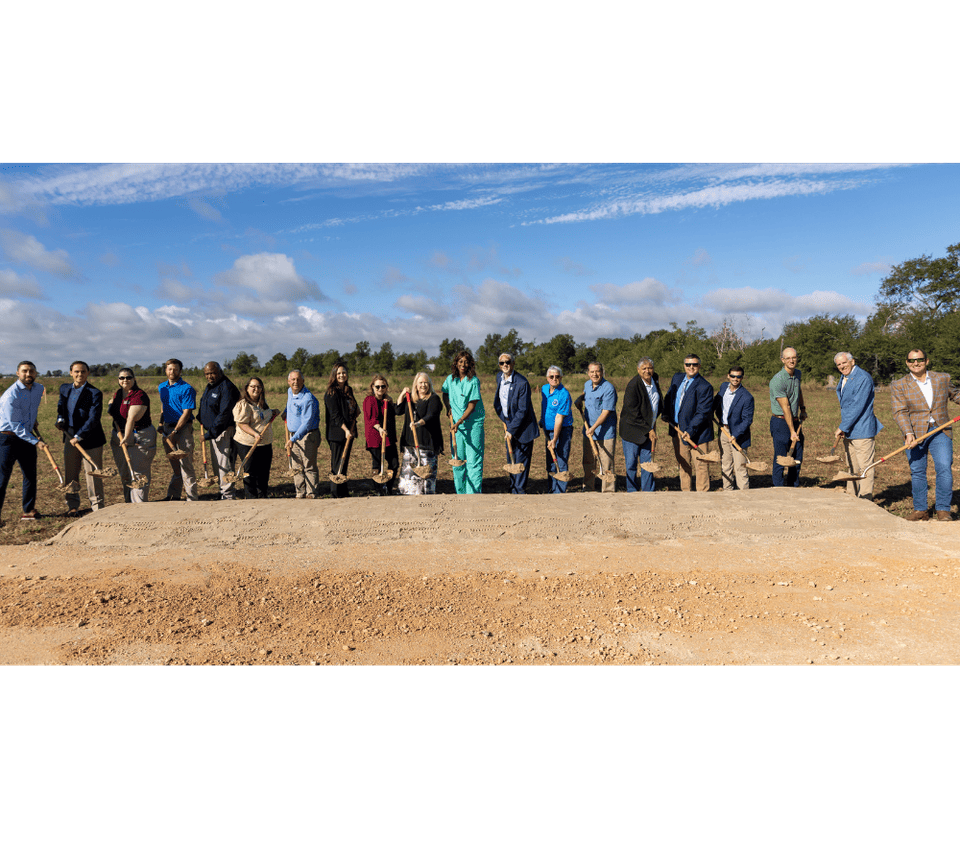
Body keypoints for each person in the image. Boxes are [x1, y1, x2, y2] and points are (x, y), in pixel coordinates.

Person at [890, 349, 960, 521]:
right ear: (907, 362)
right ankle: (920, 509)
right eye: (912, 360)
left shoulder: (942, 378)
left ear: (926, 361)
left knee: (944, 467)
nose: (916, 363)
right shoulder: (899, 385)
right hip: (914, 432)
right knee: (917, 470)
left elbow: (956, 394)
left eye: (920, 360)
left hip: (941, 429)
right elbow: (900, 411)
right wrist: (908, 433)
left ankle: (943, 509)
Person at [56, 360, 107, 516]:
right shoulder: (64, 389)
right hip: (70, 437)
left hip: (91, 439)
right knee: (71, 474)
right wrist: (60, 419)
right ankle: (72, 506)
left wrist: (80, 436)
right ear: (71, 372)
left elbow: (94, 418)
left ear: (88, 373)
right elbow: (61, 406)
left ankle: (97, 507)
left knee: (93, 474)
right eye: (76, 371)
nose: (79, 374)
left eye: (83, 371)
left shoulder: (95, 393)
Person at [0, 361, 48, 524]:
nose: (28, 374)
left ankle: (28, 510)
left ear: (36, 373)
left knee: (30, 475)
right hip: (8, 438)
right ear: (17, 373)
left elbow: (30, 408)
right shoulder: (10, 395)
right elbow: (14, 424)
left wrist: (32, 421)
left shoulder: (39, 389)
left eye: (32, 371)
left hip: (27, 435)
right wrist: (36, 442)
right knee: (2, 478)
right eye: (25, 371)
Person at [834, 352, 883, 500]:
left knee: (865, 467)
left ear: (852, 361)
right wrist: (846, 427)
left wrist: (842, 426)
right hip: (850, 430)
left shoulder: (862, 377)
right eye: (839, 365)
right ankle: (851, 497)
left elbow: (857, 406)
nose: (842, 366)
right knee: (852, 466)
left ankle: (865, 498)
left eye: (844, 362)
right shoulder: (844, 377)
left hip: (862, 429)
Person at [663, 354, 715, 492]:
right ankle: (686, 494)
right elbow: (669, 396)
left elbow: (702, 412)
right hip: (678, 428)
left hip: (698, 432)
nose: (691, 367)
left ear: (699, 366)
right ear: (684, 365)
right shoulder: (677, 378)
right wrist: (666, 413)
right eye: (688, 364)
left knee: (701, 465)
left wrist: (690, 430)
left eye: (694, 364)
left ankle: (702, 495)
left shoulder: (705, 386)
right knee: (683, 463)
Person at [107, 368, 157, 504]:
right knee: (126, 474)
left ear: (134, 379)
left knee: (138, 474)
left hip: (139, 436)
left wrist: (126, 437)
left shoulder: (139, 395)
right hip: (119, 434)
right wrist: (110, 406)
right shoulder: (118, 394)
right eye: (121, 378)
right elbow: (113, 407)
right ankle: (129, 506)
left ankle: (139, 508)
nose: (125, 380)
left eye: (128, 377)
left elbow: (131, 418)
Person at [493, 353, 540, 494]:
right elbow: (499, 403)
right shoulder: (499, 378)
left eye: (507, 362)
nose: (505, 365)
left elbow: (522, 410)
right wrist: (505, 419)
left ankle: (519, 492)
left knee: (520, 461)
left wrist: (511, 429)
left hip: (524, 428)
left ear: (513, 363)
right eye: (502, 363)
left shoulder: (522, 382)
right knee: (511, 458)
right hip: (509, 424)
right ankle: (513, 487)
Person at [442, 350, 485, 494]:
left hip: (472, 425)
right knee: (457, 460)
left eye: (466, 362)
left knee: (473, 461)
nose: (463, 365)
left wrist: (460, 420)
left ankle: (472, 495)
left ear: (470, 364)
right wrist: (448, 408)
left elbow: (472, 405)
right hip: (456, 427)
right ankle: (461, 494)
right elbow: (445, 393)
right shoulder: (450, 379)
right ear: (456, 363)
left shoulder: (473, 381)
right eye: (460, 361)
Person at [198, 361, 241, 500]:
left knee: (225, 464)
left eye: (212, 373)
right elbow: (205, 403)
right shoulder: (211, 386)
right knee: (217, 465)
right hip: (213, 432)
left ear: (220, 372)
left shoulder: (226, 387)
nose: (210, 376)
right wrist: (200, 417)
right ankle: (223, 492)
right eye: (207, 374)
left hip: (223, 432)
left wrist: (209, 433)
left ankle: (228, 495)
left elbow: (224, 413)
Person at [395, 372, 444, 495]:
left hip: (427, 443)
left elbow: (431, 415)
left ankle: (427, 501)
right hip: (410, 444)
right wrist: (402, 394)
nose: (423, 385)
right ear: (416, 385)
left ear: (429, 384)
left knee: (426, 479)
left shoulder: (434, 398)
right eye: (420, 383)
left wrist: (418, 423)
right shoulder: (410, 399)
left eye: (425, 382)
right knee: (409, 478)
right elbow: (398, 410)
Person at [158, 358, 198, 502]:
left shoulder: (187, 389)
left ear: (180, 371)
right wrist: (161, 423)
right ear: (165, 370)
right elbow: (164, 406)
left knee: (186, 465)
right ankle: (174, 496)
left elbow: (186, 413)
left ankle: (192, 498)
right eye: (169, 369)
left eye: (175, 369)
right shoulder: (162, 387)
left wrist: (175, 432)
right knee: (175, 466)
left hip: (183, 428)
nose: (172, 372)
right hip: (168, 428)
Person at [233, 377, 280, 499]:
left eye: (258, 387)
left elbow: (263, 416)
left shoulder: (262, 404)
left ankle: (262, 496)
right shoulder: (243, 404)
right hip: (247, 443)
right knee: (250, 473)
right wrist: (255, 434)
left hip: (265, 443)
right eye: (253, 386)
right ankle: (251, 497)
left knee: (264, 472)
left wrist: (273, 412)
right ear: (247, 388)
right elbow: (242, 423)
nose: (256, 389)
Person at [620, 358, 661, 493]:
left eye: (649, 368)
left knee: (647, 463)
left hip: (648, 429)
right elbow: (632, 413)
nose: (647, 371)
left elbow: (656, 402)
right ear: (638, 370)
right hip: (631, 430)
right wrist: (649, 429)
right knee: (631, 464)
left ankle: (648, 490)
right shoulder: (633, 386)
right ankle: (632, 490)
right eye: (644, 368)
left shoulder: (655, 379)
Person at [769, 347, 806, 488]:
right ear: (783, 360)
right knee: (781, 457)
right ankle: (778, 488)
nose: (792, 360)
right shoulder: (777, 380)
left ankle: (793, 487)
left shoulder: (798, 374)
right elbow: (786, 408)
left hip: (795, 420)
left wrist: (802, 408)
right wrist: (792, 431)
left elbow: (798, 390)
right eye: (788, 358)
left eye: (794, 357)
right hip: (780, 422)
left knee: (797, 456)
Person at [714, 366, 754, 491]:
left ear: (742, 378)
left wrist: (735, 434)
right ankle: (728, 491)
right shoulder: (723, 387)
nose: (735, 379)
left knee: (740, 467)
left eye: (738, 376)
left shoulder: (747, 397)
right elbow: (716, 402)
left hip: (738, 435)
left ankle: (744, 495)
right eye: (733, 376)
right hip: (723, 431)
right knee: (726, 464)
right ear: (728, 376)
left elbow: (747, 420)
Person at [579, 362, 617, 493]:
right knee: (588, 461)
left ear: (602, 372)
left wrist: (593, 427)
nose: (595, 374)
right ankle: (588, 488)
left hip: (605, 432)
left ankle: (608, 491)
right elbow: (585, 395)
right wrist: (580, 399)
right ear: (588, 373)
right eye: (592, 372)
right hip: (589, 432)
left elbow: (606, 412)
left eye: (597, 371)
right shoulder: (587, 385)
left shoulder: (608, 388)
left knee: (606, 463)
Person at [324, 360, 359, 499]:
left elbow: (351, 407)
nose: (342, 375)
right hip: (338, 434)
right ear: (334, 375)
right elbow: (335, 416)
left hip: (349, 432)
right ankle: (335, 493)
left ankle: (343, 492)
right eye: (339, 373)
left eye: (344, 372)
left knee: (344, 465)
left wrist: (356, 411)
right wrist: (345, 430)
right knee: (337, 464)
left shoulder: (348, 390)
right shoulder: (331, 393)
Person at [286, 370, 321, 499]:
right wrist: (285, 411)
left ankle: (311, 493)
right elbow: (291, 404)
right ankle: (300, 493)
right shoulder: (290, 392)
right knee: (296, 466)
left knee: (308, 466)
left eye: (298, 379)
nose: (296, 382)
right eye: (293, 379)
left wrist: (293, 439)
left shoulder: (308, 398)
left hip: (307, 435)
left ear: (303, 381)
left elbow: (306, 423)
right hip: (293, 434)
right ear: (288, 382)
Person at [363, 375, 399, 496]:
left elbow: (395, 413)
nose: (380, 389)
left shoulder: (387, 401)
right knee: (377, 464)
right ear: (372, 387)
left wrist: (392, 401)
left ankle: (388, 487)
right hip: (375, 436)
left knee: (394, 463)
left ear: (386, 387)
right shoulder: (369, 400)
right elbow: (371, 418)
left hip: (388, 436)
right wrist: (379, 428)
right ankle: (378, 489)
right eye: (377, 386)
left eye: (383, 386)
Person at [540, 366, 573, 494]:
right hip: (548, 430)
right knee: (550, 462)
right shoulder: (544, 389)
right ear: (547, 378)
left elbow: (559, 418)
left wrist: (554, 439)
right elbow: (545, 407)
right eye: (551, 377)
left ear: (561, 377)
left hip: (562, 431)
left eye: (557, 376)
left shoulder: (564, 394)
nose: (554, 379)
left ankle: (559, 492)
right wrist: (542, 420)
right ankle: (552, 490)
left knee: (561, 459)